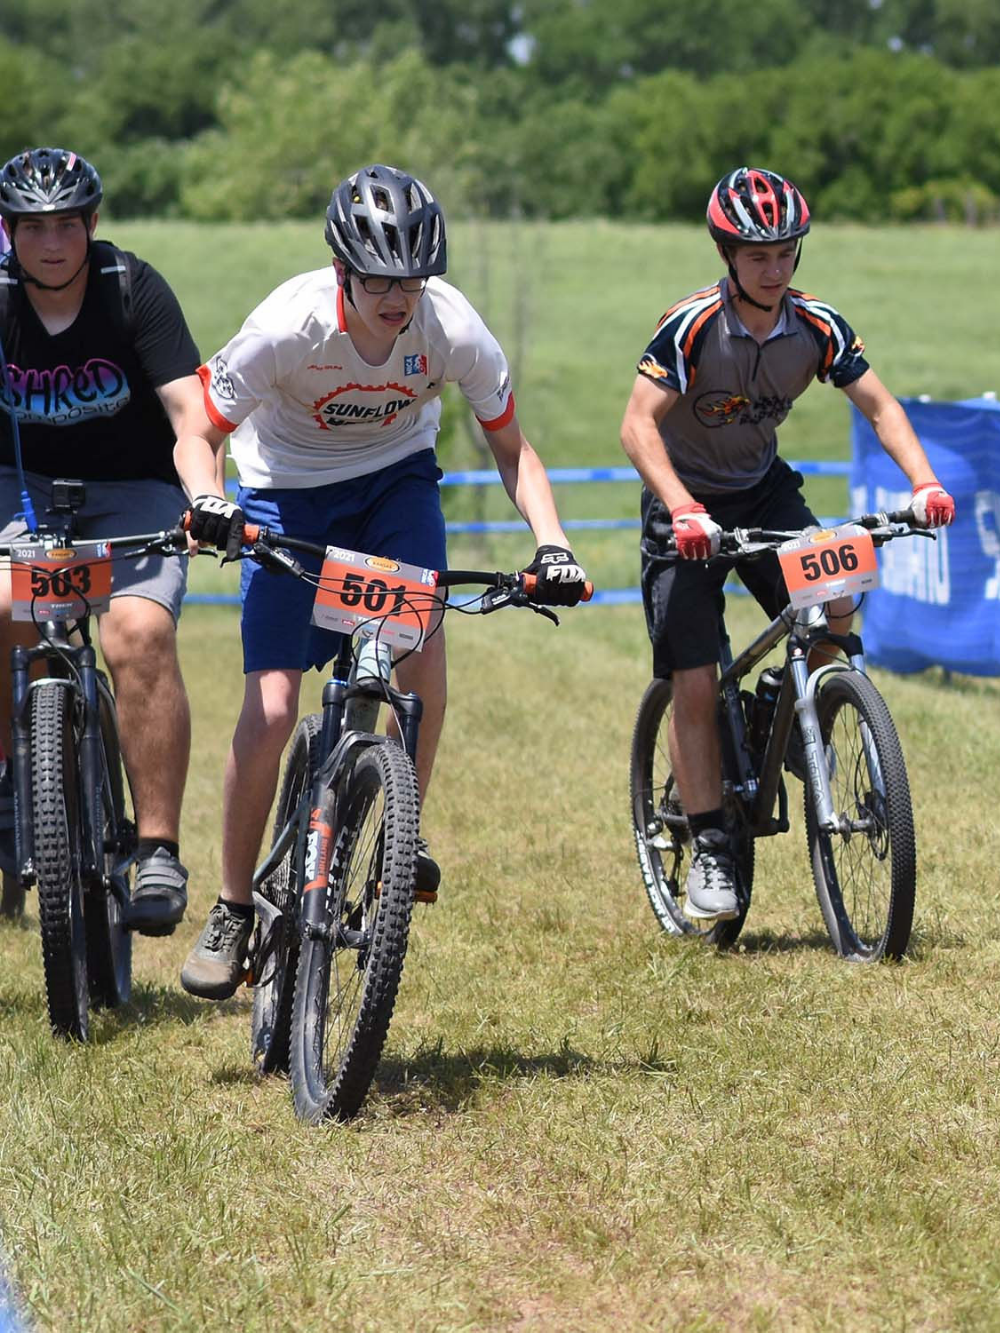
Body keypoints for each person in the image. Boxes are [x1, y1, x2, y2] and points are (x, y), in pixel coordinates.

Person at [176, 162, 589, 999]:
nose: (397, 298)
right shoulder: (287, 326)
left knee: (422, 639)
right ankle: (230, 906)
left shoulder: (453, 328)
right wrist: (207, 499)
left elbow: (515, 450)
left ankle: (403, 831)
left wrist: (552, 543)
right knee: (275, 706)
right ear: (341, 272)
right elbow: (199, 428)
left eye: (411, 279)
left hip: (396, 481)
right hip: (284, 491)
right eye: (377, 280)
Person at [620, 165, 955, 923]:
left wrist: (925, 484)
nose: (774, 269)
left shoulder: (818, 326)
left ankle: (801, 706)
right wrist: (682, 508)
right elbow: (637, 427)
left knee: (837, 589)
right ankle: (709, 842)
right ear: (728, 253)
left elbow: (881, 406)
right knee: (696, 681)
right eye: (757, 255)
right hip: (686, 509)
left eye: (785, 252)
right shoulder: (693, 325)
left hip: (765, 492)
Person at [0, 146, 214, 935]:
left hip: (135, 494)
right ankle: (7, 783)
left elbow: (190, 412)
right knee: (5, 608)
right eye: (31, 227)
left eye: (66, 225)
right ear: (9, 230)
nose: (50, 243)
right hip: (16, 487)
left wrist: (208, 497)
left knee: (139, 629)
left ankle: (156, 846)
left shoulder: (134, 290)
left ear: (92, 224)